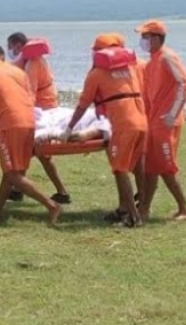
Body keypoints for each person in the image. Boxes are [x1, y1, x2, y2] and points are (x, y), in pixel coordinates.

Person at [62, 33, 148, 227]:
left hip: (122, 125)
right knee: (135, 165)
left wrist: (68, 128)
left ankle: (134, 219)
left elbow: (83, 105)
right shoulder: (134, 68)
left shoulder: (96, 74)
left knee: (119, 169)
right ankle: (128, 209)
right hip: (141, 121)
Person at [0, 45, 61, 226]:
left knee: (13, 174)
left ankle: (51, 205)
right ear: (3, 58)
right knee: (15, 171)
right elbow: (30, 99)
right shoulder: (18, 72)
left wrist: (0, 134)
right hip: (29, 121)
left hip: (10, 124)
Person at [135, 20, 186, 222]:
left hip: (166, 122)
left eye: (145, 37)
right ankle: (144, 208)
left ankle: (184, 208)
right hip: (154, 121)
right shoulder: (152, 61)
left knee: (165, 166)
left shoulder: (167, 57)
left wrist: (172, 114)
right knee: (151, 166)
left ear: (156, 38)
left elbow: (184, 84)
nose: (142, 41)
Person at [6, 32, 70, 205]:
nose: (9, 51)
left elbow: (31, 92)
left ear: (18, 45)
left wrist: (23, 113)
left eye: (10, 47)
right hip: (45, 107)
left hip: (43, 111)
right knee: (35, 153)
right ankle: (21, 190)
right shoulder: (34, 59)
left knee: (35, 152)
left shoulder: (33, 62)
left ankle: (20, 190)